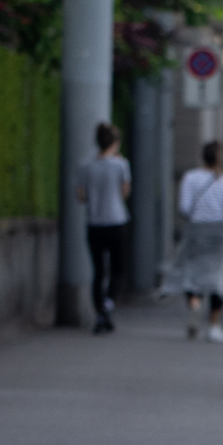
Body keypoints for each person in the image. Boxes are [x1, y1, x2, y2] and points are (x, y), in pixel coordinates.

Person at [164, 142, 223, 342]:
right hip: (220, 234)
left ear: (203, 157)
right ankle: (214, 326)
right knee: (219, 279)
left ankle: (194, 305)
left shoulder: (190, 178)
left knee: (192, 273)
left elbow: (184, 208)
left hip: (196, 231)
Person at [76, 122, 131, 334]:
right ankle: (108, 304)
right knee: (117, 269)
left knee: (98, 271)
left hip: (95, 222)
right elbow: (125, 192)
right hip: (116, 221)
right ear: (115, 143)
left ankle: (100, 313)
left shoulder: (86, 165)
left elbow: (81, 196)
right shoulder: (121, 165)